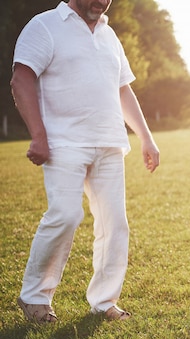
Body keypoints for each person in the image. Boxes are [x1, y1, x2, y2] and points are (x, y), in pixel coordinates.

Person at [11, 0, 160, 322]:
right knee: (65, 215)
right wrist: (38, 135)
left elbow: (123, 89)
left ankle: (105, 302)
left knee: (114, 225)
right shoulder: (45, 25)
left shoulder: (109, 34)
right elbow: (21, 80)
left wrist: (146, 137)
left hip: (109, 143)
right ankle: (34, 297)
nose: (102, 0)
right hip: (63, 143)